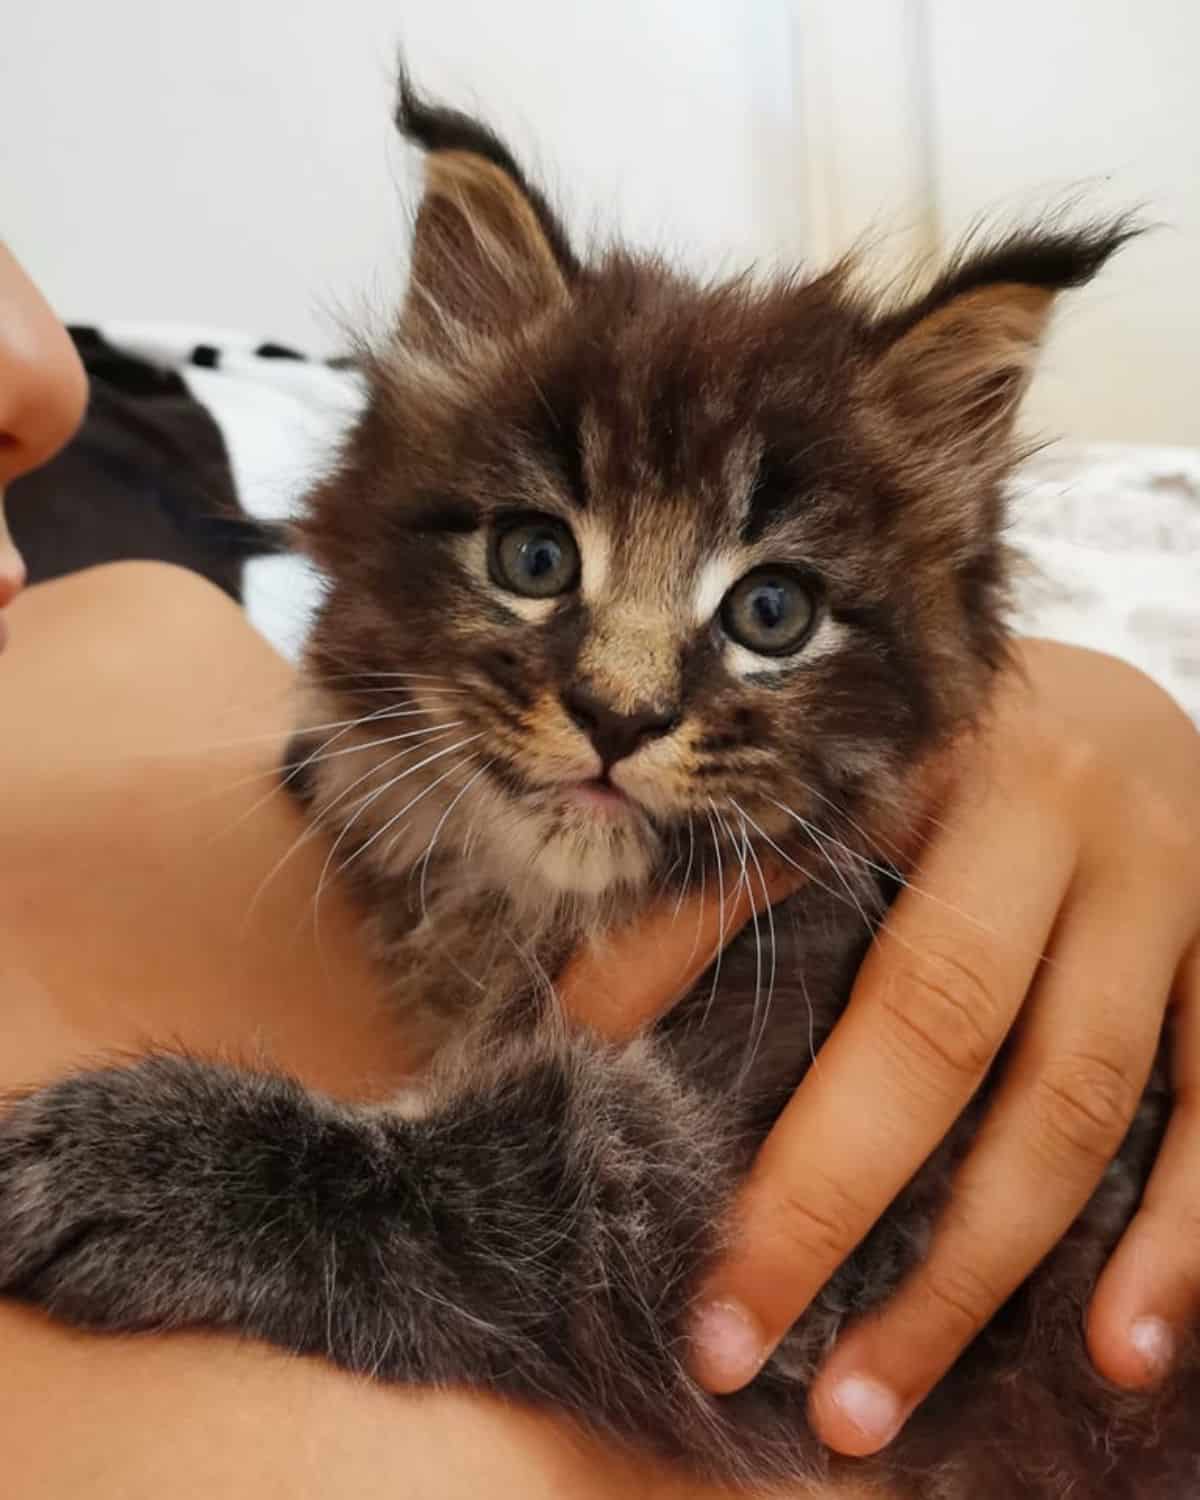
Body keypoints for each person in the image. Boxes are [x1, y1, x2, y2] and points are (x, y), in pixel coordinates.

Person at [2, 240, 1198, 1496]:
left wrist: (1099, 721)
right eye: (537, 558)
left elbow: (740, 1272)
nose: (622, 695)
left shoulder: (153, 632)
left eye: (768, 613)